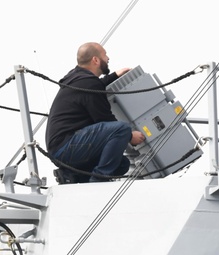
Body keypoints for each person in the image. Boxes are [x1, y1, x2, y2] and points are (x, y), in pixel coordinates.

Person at [46, 42, 145, 183]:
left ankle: (74, 177)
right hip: (67, 147)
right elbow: (105, 119)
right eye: (105, 55)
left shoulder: (77, 77)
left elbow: (94, 86)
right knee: (122, 128)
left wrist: (115, 75)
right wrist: (130, 136)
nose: (108, 58)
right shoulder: (89, 83)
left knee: (121, 164)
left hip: (60, 149)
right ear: (96, 60)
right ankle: (98, 181)